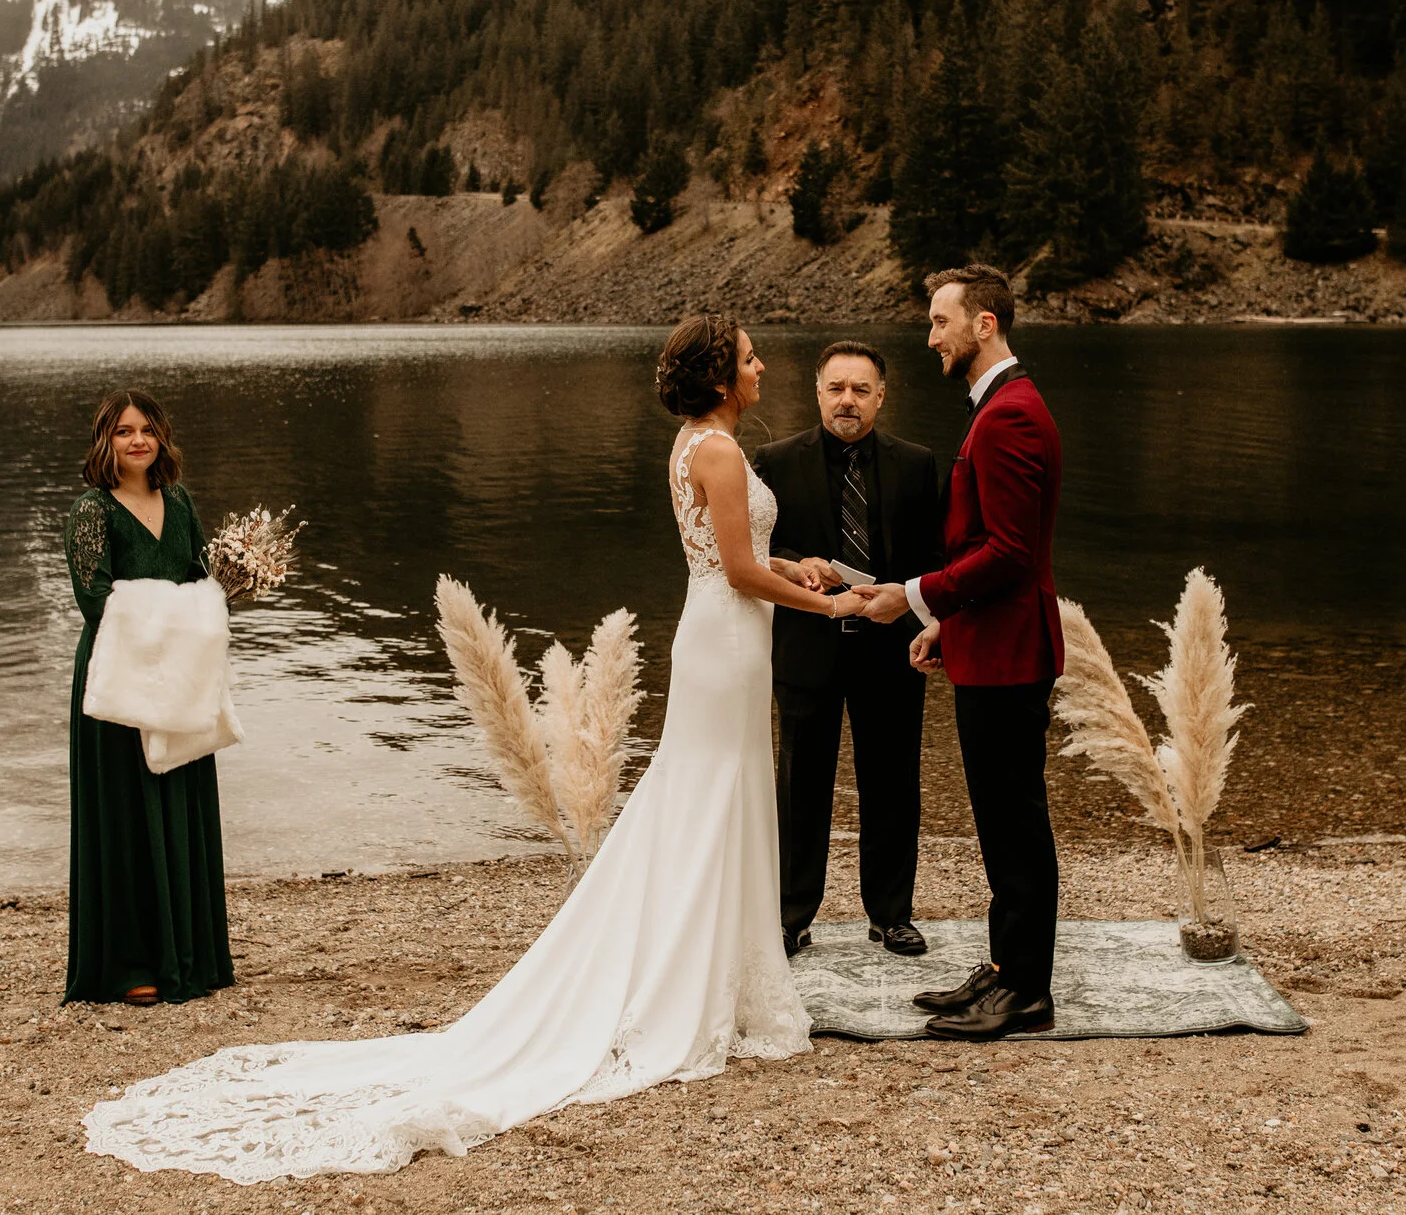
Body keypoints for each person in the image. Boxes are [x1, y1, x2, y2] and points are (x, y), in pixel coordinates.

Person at [84, 314, 861, 1181]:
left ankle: (721, 966)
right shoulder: (714, 452)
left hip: (730, 633)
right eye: (751, 359)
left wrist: (798, 571)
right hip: (726, 640)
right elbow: (736, 568)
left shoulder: (698, 443)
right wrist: (831, 605)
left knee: (722, 792)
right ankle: (695, 977)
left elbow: (739, 562)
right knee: (713, 792)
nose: (762, 369)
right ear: (722, 378)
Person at [857, 265, 1064, 1041]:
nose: (931, 334)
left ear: (985, 325)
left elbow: (1010, 553)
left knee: (1014, 821)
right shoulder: (1002, 406)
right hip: (995, 640)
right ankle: (1008, 968)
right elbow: (1005, 550)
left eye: (941, 320)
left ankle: (1027, 992)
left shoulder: (1009, 415)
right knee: (1001, 818)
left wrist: (913, 595)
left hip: (1011, 653)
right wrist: (949, 623)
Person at [751, 340, 945, 960]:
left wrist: (929, 620)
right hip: (807, 648)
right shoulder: (774, 463)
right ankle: (790, 915)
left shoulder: (917, 465)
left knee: (892, 784)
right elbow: (754, 560)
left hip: (890, 650)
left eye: (861, 390)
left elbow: (934, 561)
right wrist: (794, 568)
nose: (847, 401)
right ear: (818, 393)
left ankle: (891, 915)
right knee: (799, 785)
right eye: (836, 388)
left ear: (881, 397)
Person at [63, 389, 235, 1007]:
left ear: (162, 438)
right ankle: (128, 963)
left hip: (180, 675)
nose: (138, 441)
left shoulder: (180, 502)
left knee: (179, 804)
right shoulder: (90, 511)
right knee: (127, 814)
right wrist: (183, 610)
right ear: (104, 442)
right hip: (116, 681)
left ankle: (190, 953)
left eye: (147, 430)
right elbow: (97, 602)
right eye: (123, 432)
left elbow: (196, 582)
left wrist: (224, 592)